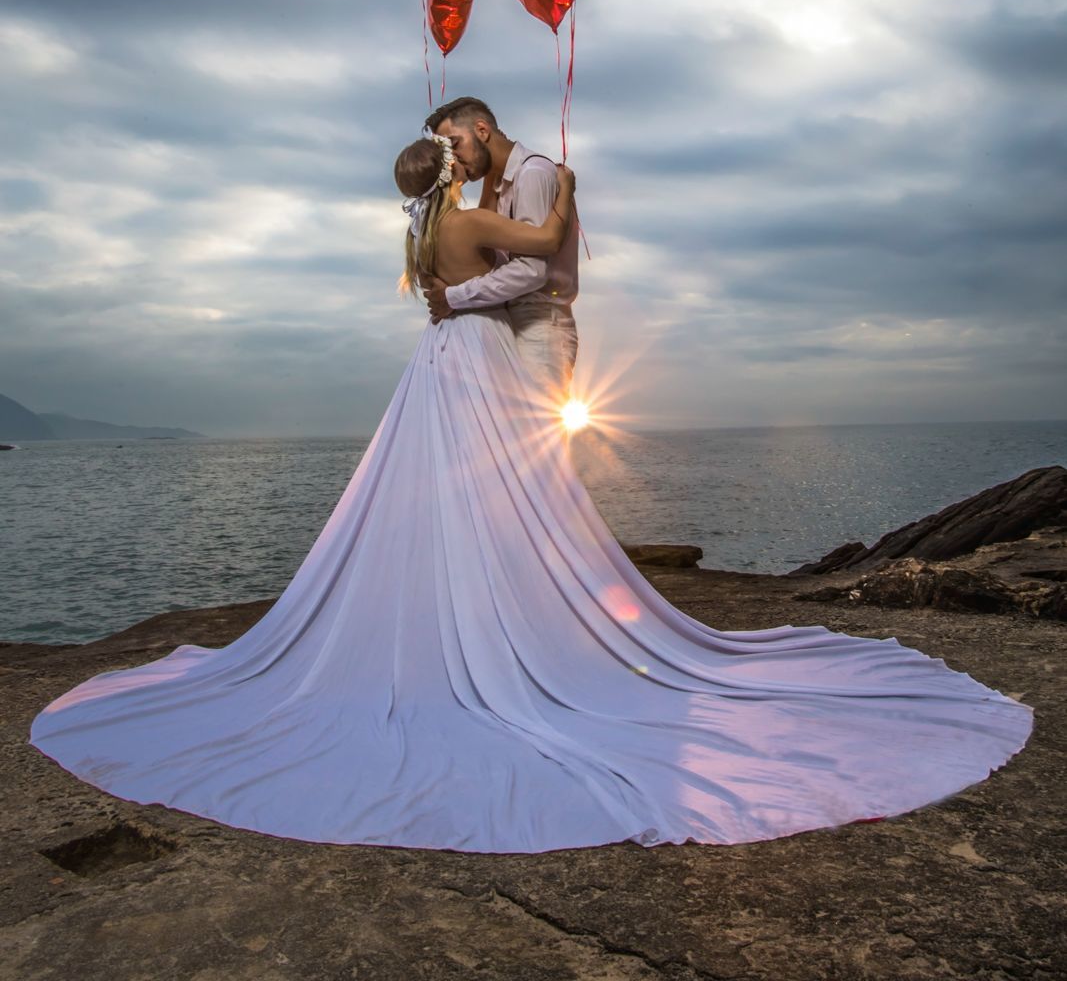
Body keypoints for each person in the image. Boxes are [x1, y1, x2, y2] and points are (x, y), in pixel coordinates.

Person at [27, 132, 1034, 854]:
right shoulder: (469, 224)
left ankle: (450, 606)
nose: (464, 158)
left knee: (433, 486)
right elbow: (544, 234)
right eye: (455, 153)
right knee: (492, 481)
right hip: (474, 358)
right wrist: (566, 189)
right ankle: (505, 621)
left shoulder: (420, 237)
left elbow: (459, 275)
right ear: (450, 172)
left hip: (433, 360)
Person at [419, 96, 579, 406]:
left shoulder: (531, 174)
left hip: (538, 324)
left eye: (454, 144)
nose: (451, 158)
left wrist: (452, 297)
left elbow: (532, 271)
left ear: (481, 130)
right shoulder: (499, 184)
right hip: (509, 321)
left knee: (535, 442)